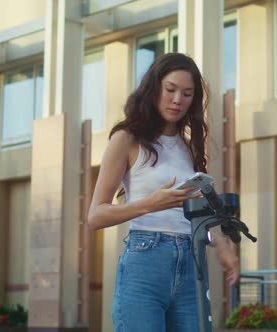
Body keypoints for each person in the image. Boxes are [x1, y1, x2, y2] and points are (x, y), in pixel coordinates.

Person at [87, 53, 240, 332]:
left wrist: (218, 241)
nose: (177, 100)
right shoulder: (126, 139)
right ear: (154, 88)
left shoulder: (188, 147)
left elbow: (184, 221)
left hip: (191, 261)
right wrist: (149, 204)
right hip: (145, 262)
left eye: (187, 94)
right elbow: (95, 216)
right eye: (170, 89)